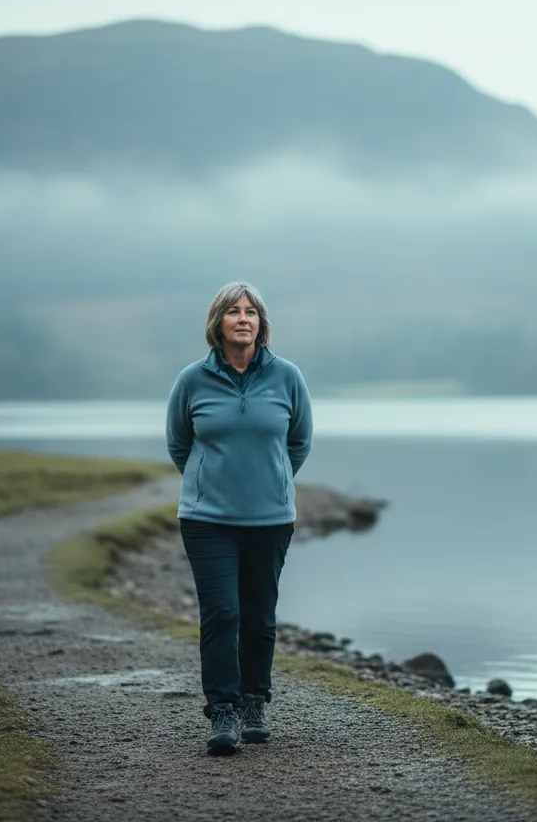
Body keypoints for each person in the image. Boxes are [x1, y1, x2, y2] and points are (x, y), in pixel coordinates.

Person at [165, 281, 313, 755]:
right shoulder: (192, 380)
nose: (243, 318)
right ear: (218, 323)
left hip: (270, 520)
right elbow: (179, 443)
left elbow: (299, 441)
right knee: (222, 614)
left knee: (259, 617)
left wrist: (272, 482)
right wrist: (211, 482)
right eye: (234, 312)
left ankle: (255, 702)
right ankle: (222, 712)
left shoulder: (288, 377)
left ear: (261, 323)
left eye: (251, 311)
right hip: (207, 520)